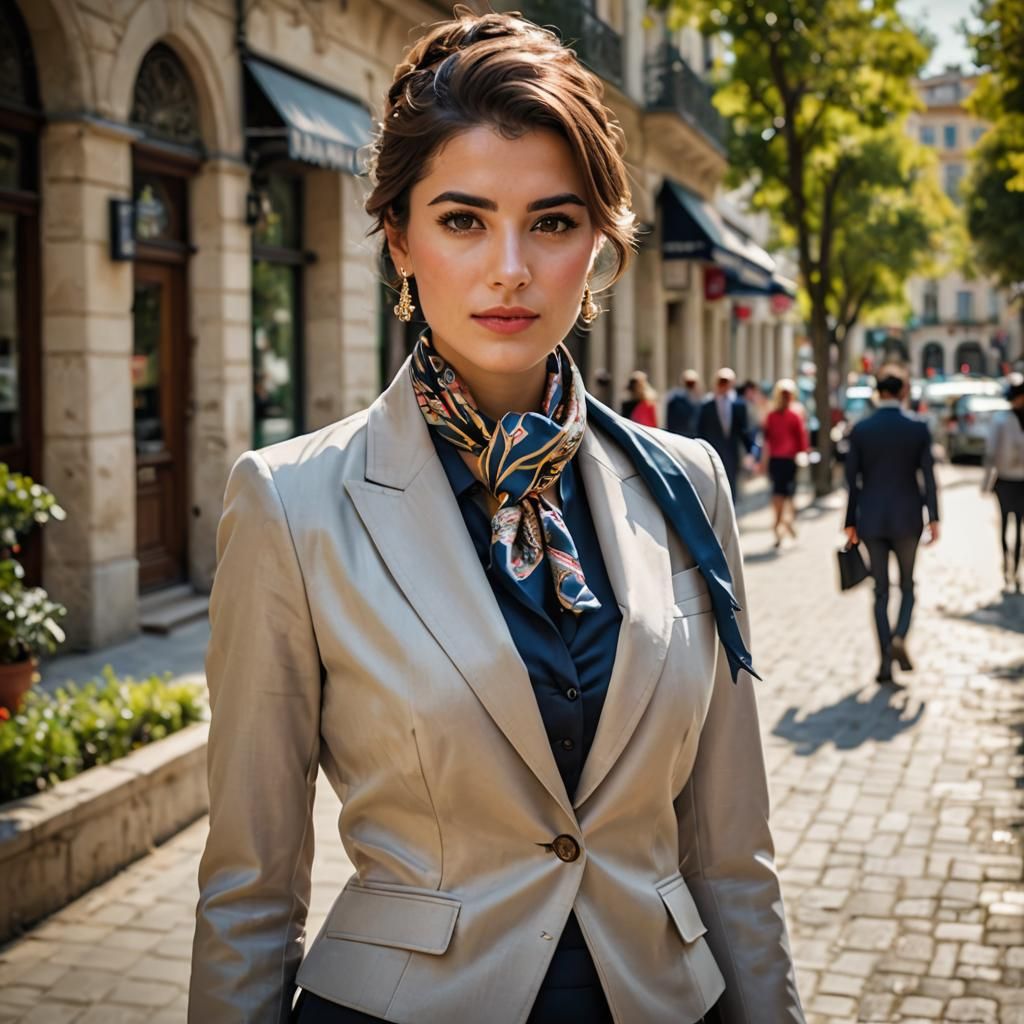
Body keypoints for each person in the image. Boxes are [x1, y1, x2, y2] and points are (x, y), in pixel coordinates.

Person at [188, 11, 803, 1024]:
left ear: (599, 244)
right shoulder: (290, 502)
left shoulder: (683, 482)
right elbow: (249, 888)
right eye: (464, 219)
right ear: (400, 238)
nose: (509, 266)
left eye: (552, 223)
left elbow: (733, 859)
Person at [844, 364, 940, 685]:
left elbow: (851, 481)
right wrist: (934, 517)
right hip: (908, 518)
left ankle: (885, 660)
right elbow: (927, 476)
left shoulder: (861, 429)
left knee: (880, 591)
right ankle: (900, 635)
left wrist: (850, 522)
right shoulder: (917, 428)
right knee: (908, 585)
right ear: (902, 392)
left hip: (870, 518)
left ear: (877, 392)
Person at [982, 377, 1024, 591]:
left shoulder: (1003, 420)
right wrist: (987, 482)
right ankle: (1007, 565)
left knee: (1019, 527)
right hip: (1006, 480)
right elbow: (991, 454)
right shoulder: (1001, 420)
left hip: (1019, 481)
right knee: (1006, 524)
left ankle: (1016, 567)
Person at [760, 379, 809, 548]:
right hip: (782, 459)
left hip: (785, 459)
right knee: (784, 494)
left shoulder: (786, 415)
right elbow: (767, 441)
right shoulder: (782, 415)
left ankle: (781, 524)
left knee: (783, 495)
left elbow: (800, 440)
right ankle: (782, 523)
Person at [696, 367, 756, 498]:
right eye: (721, 381)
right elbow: (700, 430)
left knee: (731, 485)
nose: (723, 385)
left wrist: (751, 451)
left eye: (726, 381)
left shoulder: (739, 405)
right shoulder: (707, 404)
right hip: (711, 451)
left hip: (732, 452)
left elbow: (744, 430)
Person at [665, 369, 701, 437]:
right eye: (689, 382)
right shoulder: (675, 398)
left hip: (693, 436)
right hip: (679, 435)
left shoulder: (700, 399)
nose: (690, 384)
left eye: (692, 382)